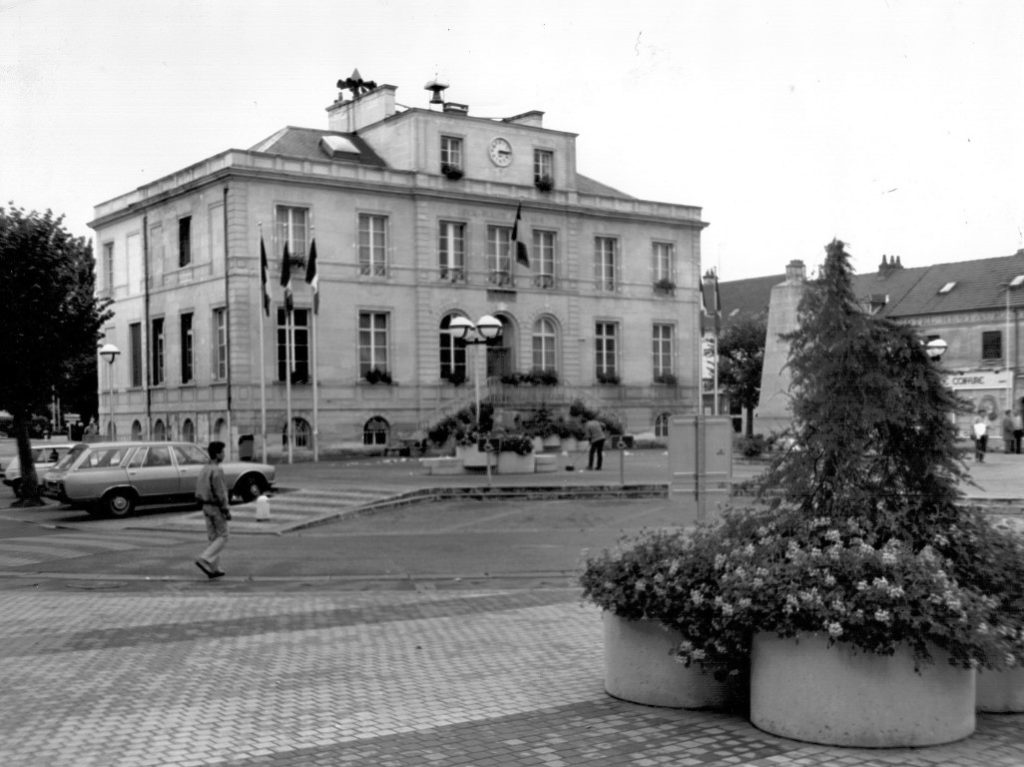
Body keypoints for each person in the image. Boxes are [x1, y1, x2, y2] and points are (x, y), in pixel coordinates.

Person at [195, 440, 231, 579]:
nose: (224, 454)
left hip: (205, 505)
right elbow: (221, 492)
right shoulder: (217, 470)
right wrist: (225, 509)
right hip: (216, 506)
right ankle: (205, 558)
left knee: (213, 537)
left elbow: (198, 489)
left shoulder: (204, 469)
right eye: (222, 452)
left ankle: (214, 567)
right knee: (223, 535)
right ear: (217, 454)